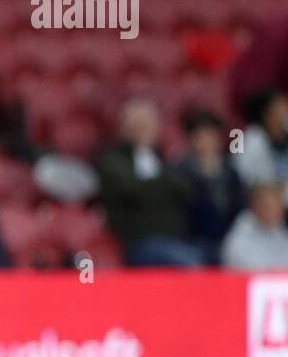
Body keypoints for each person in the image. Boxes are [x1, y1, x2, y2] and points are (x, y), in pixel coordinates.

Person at [95, 99, 203, 267]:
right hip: (138, 240)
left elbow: (185, 188)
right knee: (191, 262)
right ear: (125, 129)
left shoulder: (164, 157)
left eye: (149, 126)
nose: (144, 131)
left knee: (217, 256)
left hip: (177, 238)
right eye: (138, 126)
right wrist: (161, 184)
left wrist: (151, 184)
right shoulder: (112, 159)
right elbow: (130, 189)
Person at [177, 107, 245, 264]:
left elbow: (240, 207)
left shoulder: (231, 171)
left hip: (231, 238)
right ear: (191, 140)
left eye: (211, 135)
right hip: (196, 241)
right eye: (200, 136)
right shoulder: (181, 172)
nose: (206, 141)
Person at [222, 182, 288, 269]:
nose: (275, 211)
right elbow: (250, 269)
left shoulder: (279, 230)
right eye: (268, 206)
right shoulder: (240, 236)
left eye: (277, 205)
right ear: (254, 206)